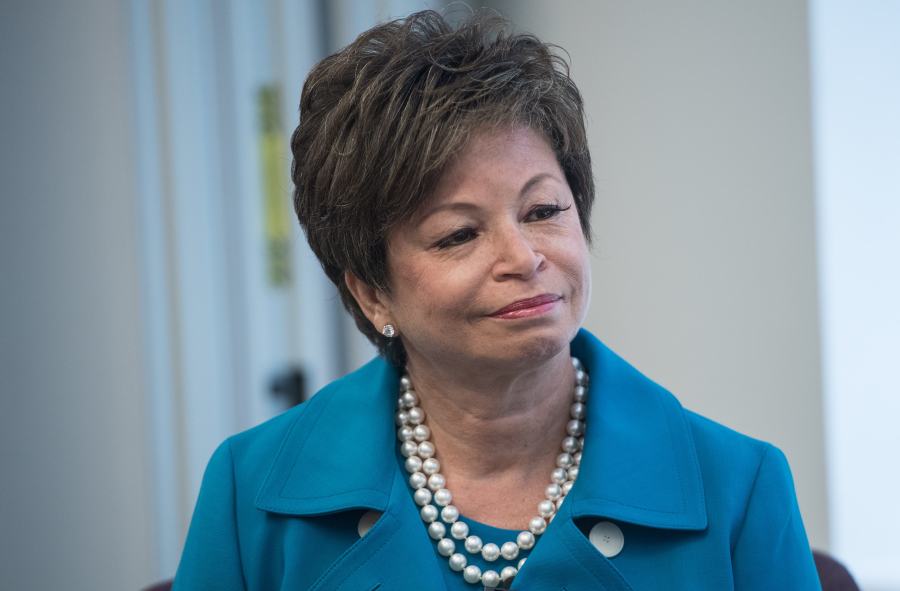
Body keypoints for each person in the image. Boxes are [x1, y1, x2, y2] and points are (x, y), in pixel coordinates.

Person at [173, 10, 821, 590]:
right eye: (458, 233)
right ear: (371, 292)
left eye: (543, 209)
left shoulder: (738, 485)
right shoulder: (248, 491)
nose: (523, 257)